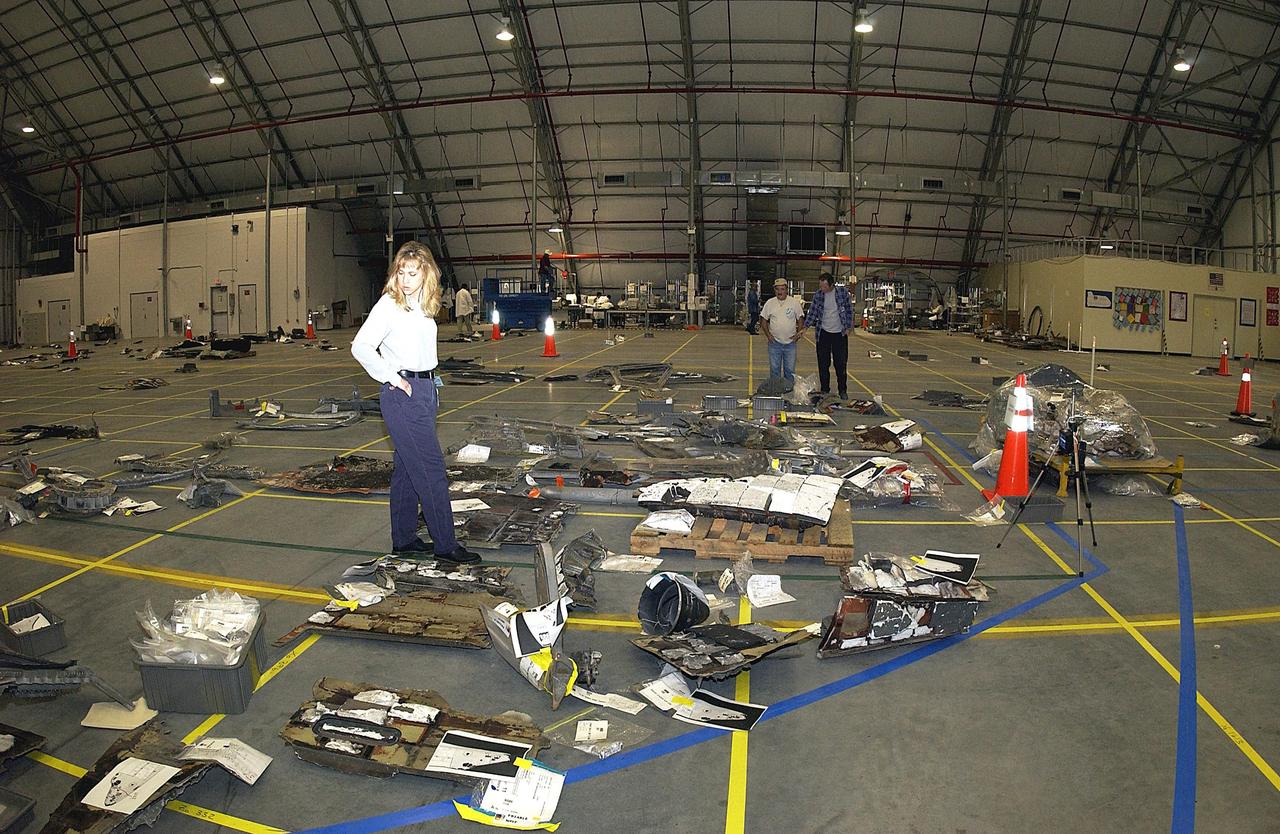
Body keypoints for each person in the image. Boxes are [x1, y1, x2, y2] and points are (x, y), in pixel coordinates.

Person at [351, 241, 479, 563]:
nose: (406, 279)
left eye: (414, 273)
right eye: (402, 272)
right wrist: (392, 378)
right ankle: (446, 546)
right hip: (402, 395)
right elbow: (361, 346)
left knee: (407, 470)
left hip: (425, 390)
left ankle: (404, 540)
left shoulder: (423, 307)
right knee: (432, 470)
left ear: (426, 275)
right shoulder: (389, 305)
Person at [803, 272, 854, 399]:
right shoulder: (818, 295)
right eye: (821, 286)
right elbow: (813, 312)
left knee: (840, 364)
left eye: (824, 286)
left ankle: (842, 390)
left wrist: (848, 327)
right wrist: (805, 326)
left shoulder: (842, 293)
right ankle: (825, 390)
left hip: (839, 334)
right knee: (823, 364)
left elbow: (849, 310)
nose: (822, 289)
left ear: (831, 285)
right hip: (823, 334)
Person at [758, 277, 805, 384]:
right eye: (777, 289)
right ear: (774, 290)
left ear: (787, 289)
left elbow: (800, 318)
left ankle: (788, 393)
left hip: (790, 345)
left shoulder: (794, 303)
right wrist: (768, 335)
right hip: (774, 343)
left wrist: (798, 334)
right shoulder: (770, 303)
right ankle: (776, 394)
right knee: (775, 371)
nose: (780, 292)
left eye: (782, 289)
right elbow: (763, 320)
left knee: (790, 372)